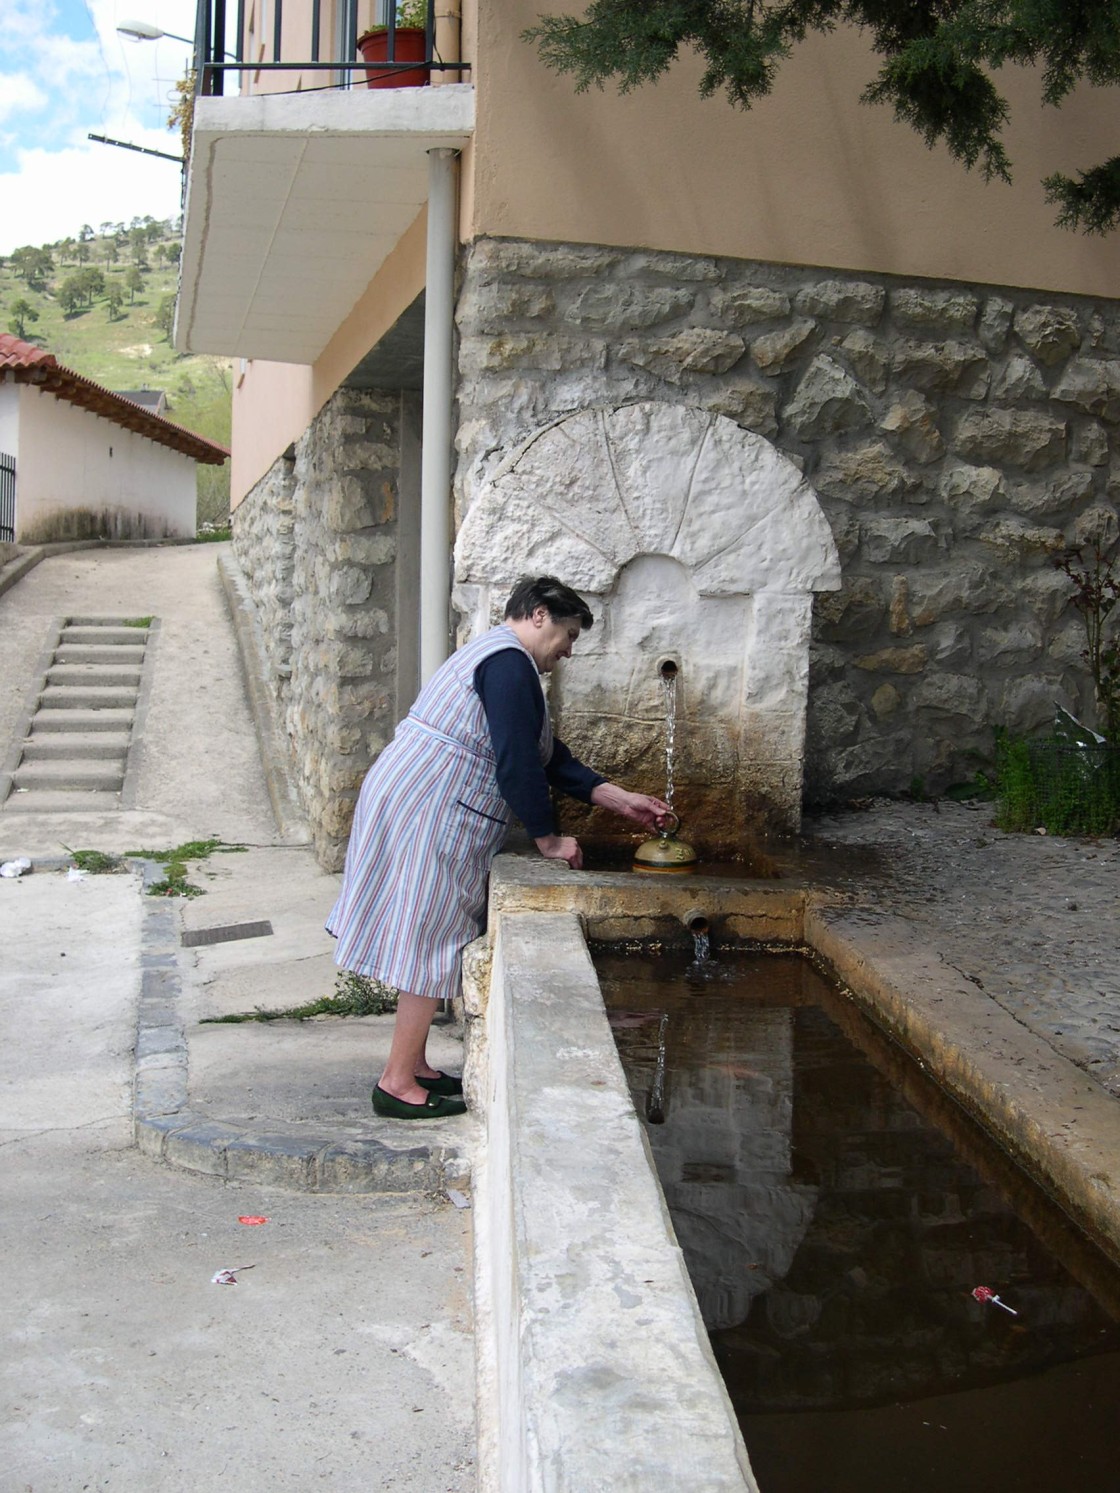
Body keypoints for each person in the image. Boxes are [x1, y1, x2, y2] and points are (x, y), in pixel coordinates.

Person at [327, 575, 669, 1120]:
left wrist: (619, 799)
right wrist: (549, 839)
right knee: (429, 933)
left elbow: (546, 757)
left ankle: (415, 1066)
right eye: (569, 634)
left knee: (427, 928)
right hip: (431, 803)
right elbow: (515, 760)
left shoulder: (504, 659)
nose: (569, 650)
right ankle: (395, 1084)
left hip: (420, 793)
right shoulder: (508, 663)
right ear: (538, 615)